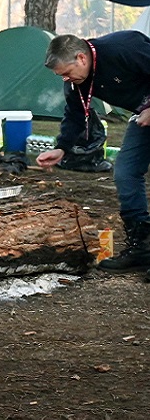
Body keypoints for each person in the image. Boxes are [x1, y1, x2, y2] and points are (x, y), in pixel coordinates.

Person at [41, 32, 150, 274]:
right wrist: (62, 148)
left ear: (81, 57)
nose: (66, 79)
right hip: (142, 115)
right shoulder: (76, 82)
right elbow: (76, 114)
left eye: (67, 73)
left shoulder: (124, 47)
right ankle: (142, 248)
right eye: (61, 77)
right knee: (126, 172)